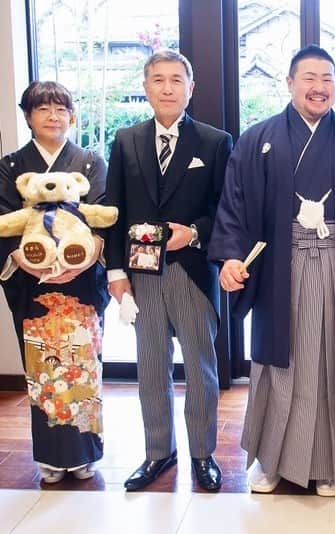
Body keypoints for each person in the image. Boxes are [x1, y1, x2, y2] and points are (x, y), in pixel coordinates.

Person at [208, 44, 335, 496]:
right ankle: (269, 461)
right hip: (279, 267)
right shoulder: (259, 138)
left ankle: (329, 464)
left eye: (327, 78)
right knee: (277, 361)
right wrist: (230, 256)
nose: (318, 87)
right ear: (289, 84)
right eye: (309, 77)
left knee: (332, 360)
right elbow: (235, 203)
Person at [104, 49, 232, 492]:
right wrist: (115, 272)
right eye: (158, 80)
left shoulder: (216, 142)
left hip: (191, 270)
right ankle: (159, 452)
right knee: (151, 365)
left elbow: (225, 210)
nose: (167, 88)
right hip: (141, 274)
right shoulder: (125, 139)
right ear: (146, 87)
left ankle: (203, 453)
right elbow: (113, 209)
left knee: (201, 366)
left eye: (176, 80)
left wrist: (193, 234)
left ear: (190, 89)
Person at [0, 81, 108, 484]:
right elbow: (5, 226)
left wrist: (80, 264)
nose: (52, 116)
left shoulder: (90, 162)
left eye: (60, 109)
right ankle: (48, 456)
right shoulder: (10, 167)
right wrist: (28, 263)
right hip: (32, 285)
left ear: (71, 115)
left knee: (82, 365)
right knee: (41, 367)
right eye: (43, 109)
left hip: (80, 282)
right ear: (28, 116)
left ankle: (84, 453)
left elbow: (100, 219)